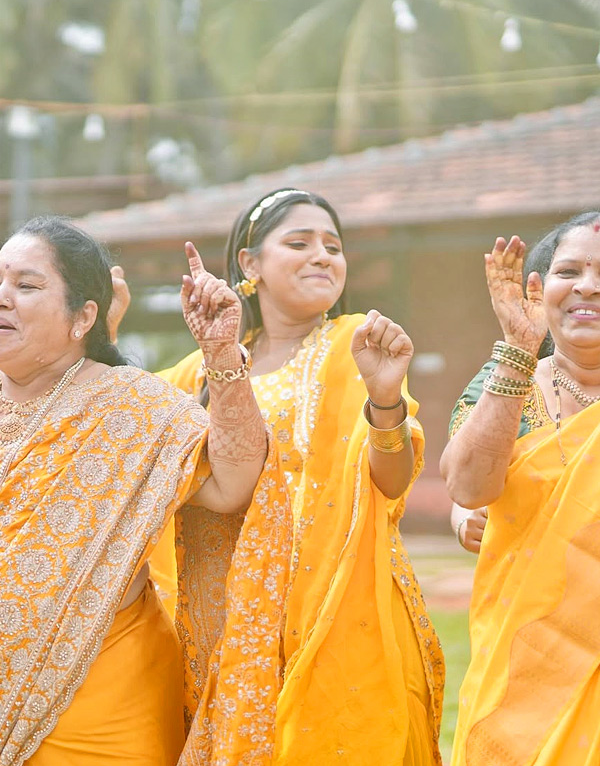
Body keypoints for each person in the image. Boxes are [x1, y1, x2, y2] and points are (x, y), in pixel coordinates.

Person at [148, 188, 445, 765]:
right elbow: (136, 443)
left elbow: (391, 481)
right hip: (223, 619)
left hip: (331, 613)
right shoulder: (195, 369)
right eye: (300, 242)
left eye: (333, 246)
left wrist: (385, 398)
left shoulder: (352, 345)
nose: (323, 256)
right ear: (250, 265)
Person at [0, 216, 289, 766]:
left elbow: (234, 483)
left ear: (84, 316)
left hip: (102, 700)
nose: (3, 298)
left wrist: (223, 356)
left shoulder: (132, 407)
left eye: (27, 285)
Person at [440, 211, 600, 766]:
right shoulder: (506, 382)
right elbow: (467, 485)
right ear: (539, 288)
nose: (588, 286)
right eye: (569, 271)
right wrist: (518, 348)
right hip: (524, 660)